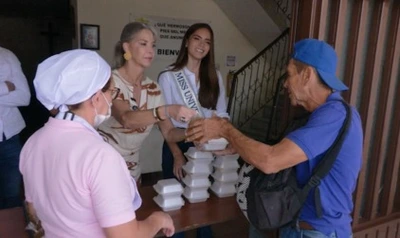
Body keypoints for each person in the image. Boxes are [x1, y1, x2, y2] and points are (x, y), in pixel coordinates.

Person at [186, 39, 363, 238]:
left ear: (307, 75)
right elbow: (285, 153)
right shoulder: (315, 115)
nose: (285, 83)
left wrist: (225, 129)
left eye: (289, 74)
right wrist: (236, 145)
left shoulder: (334, 115)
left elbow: (271, 161)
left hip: (317, 232)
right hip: (300, 227)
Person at [19, 49, 175, 237]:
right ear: (96, 98)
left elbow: (33, 210)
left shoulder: (33, 143)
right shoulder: (100, 156)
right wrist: (158, 220)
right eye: (111, 92)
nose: (111, 98)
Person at [98, 22, 196, 183]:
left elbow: (169, 133)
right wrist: (168, 110)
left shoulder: (153, 89)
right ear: (127, 47)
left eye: (153, 45)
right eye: (143, 44)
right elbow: (126, 118)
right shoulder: (110, 81)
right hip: (103, 166)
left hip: (133, 170)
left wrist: (192, 133)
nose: (150, 51)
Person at [158, 23, 229, 238]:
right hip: (177, 142)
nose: (202, 45)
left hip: (206, 146)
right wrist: (178, 155)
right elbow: (166, 125)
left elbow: (223, 114)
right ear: (187, 41)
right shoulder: (169, 76)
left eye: (207, 42)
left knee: (202, 203)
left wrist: (217, 138)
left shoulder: (214, 76)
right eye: (197, 39)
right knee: (176, 206)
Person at [0, 46, 31, 209]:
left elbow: (24, 97)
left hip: (9, 139)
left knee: (12, 197)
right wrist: (4, 88)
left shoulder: (6, 56)